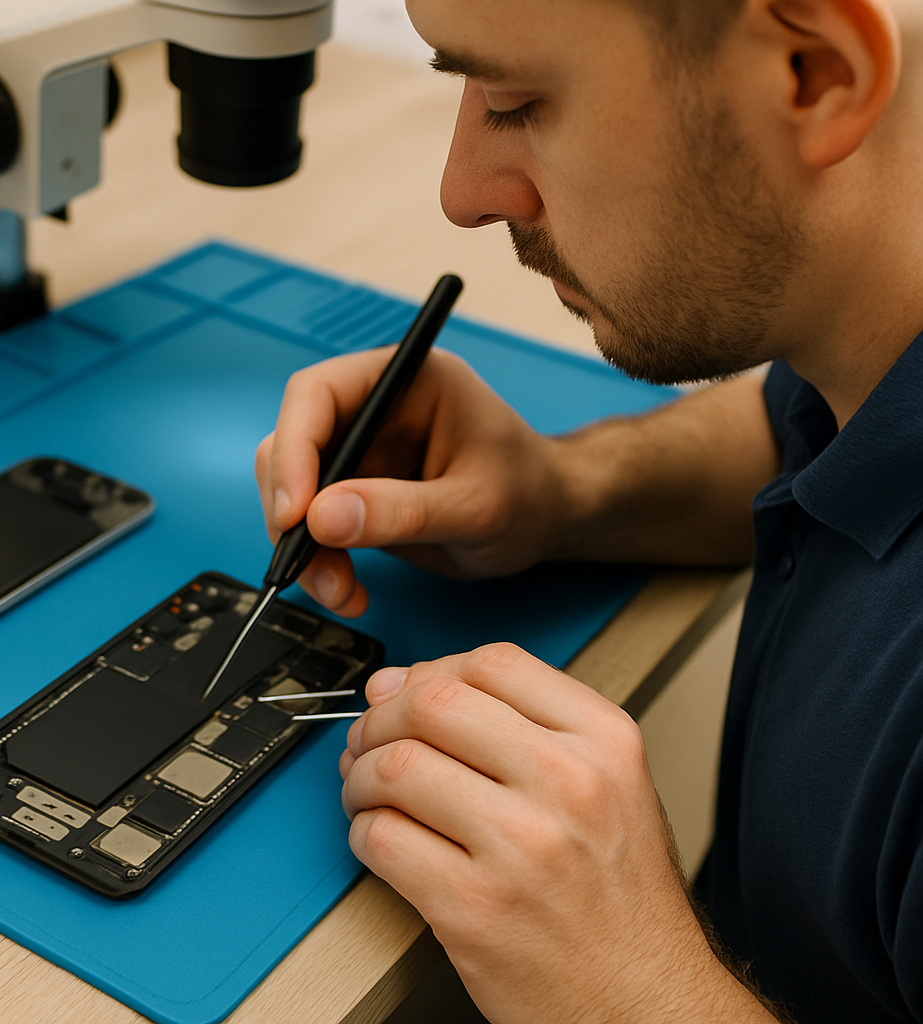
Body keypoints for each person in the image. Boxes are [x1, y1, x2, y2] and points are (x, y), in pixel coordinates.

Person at [255, 1, 923, 1021]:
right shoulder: (871, 305)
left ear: (812, 73)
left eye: (519, 102)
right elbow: (793, 421)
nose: (461, 194)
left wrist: (632, 986)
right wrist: (562, 490)